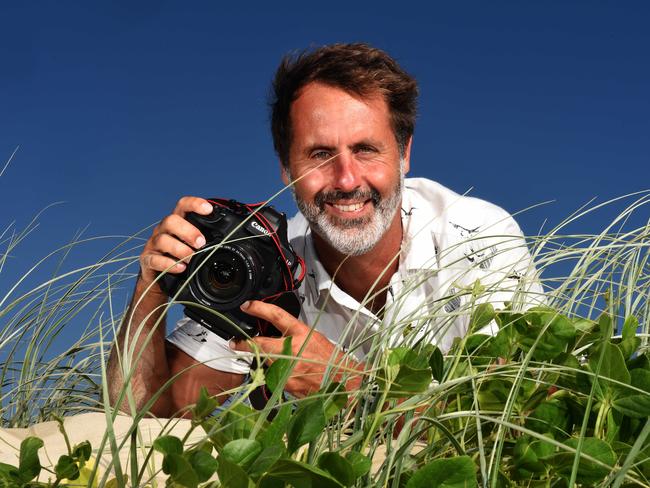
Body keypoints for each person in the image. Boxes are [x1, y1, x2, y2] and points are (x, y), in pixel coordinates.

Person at [107, 43, 542, 417]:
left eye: (366, 149)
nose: (347, 179)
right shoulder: (261, 266)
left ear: (405, 154)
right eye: (319, 154)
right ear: (285, 166)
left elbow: (520, 416)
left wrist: (346, 386)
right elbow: (138, 419)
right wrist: (151, 290)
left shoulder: (479, 234)